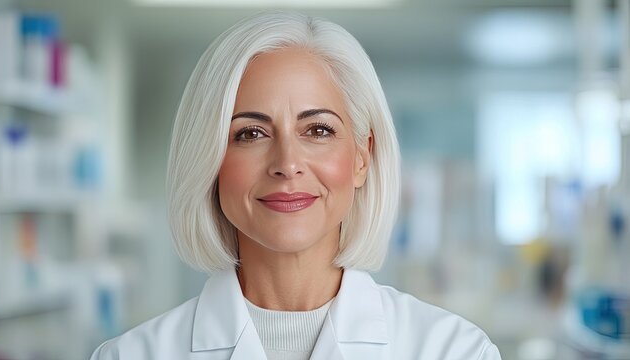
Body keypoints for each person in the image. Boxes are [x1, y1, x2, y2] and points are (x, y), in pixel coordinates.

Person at [91, 10, 501, 360]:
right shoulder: (131, 355)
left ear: (362, 158)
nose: (287, 164)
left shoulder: (454, 351)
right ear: (210, 161)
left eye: (318, 130)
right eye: (251, 134)